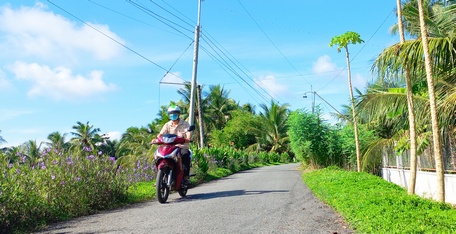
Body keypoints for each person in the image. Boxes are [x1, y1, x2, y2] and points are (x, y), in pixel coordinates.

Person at [157, 105, 192, 184]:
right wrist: (156, 138)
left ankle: (186, 177)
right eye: (171, 114)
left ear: (178, 114)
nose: (173, 115)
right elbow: (161, 134)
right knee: (159, 156)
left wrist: (187, 139)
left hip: (181, 146)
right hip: (169, 147)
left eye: (175, 113)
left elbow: (188, 135)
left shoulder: (185, 124)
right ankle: (159, 178)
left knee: (185, 155)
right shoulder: (167, 125)